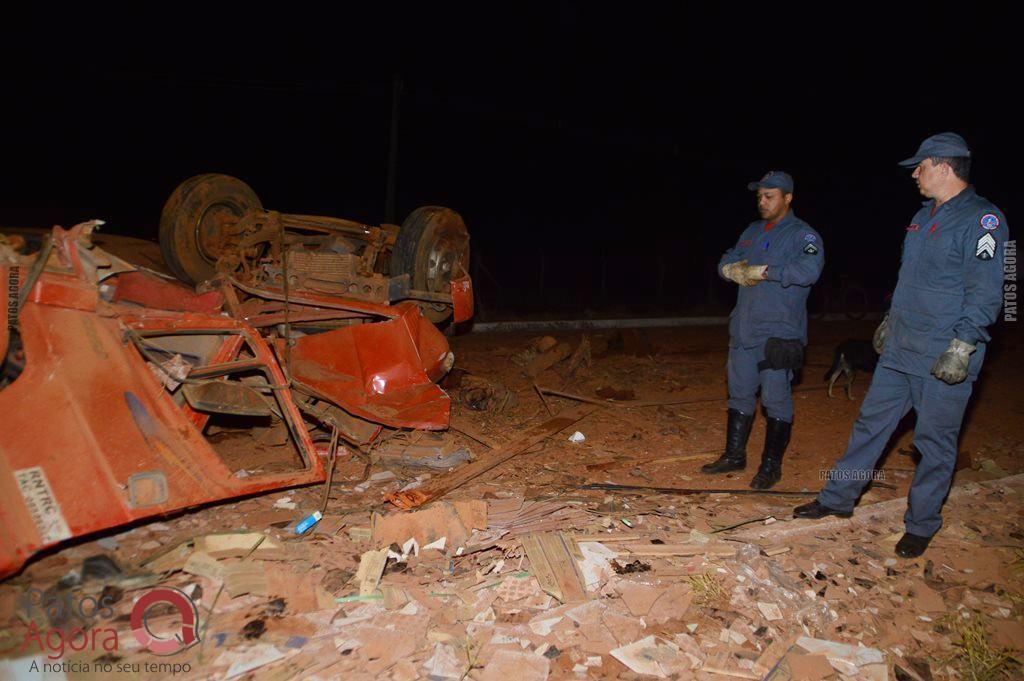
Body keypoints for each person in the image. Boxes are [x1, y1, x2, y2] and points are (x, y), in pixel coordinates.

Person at [794, 132, 1009, 558]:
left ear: (944, 167)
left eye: (922, 166)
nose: (915, 173)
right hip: (901, 348)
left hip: (942, 353)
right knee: (870, 425)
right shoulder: (921, 216)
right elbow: (909, 279)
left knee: (933, 443)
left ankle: (922, 523)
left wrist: (963, 345)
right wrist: (890, 320)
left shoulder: (985, 220)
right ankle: (838, 499)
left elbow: (987, 291)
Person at [705, 171, 824, 489]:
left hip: (779, 334)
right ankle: (734, 455)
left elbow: (809, 271)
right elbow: (727, 258)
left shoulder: (804, 236)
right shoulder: (752, 231)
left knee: (776, 398)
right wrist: (729, 269)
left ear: (788, 198)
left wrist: (766, 271)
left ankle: (771, 466)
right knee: (740, 392)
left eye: (769, 196)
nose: (762, 201)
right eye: (759, 196)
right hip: (744, 329)